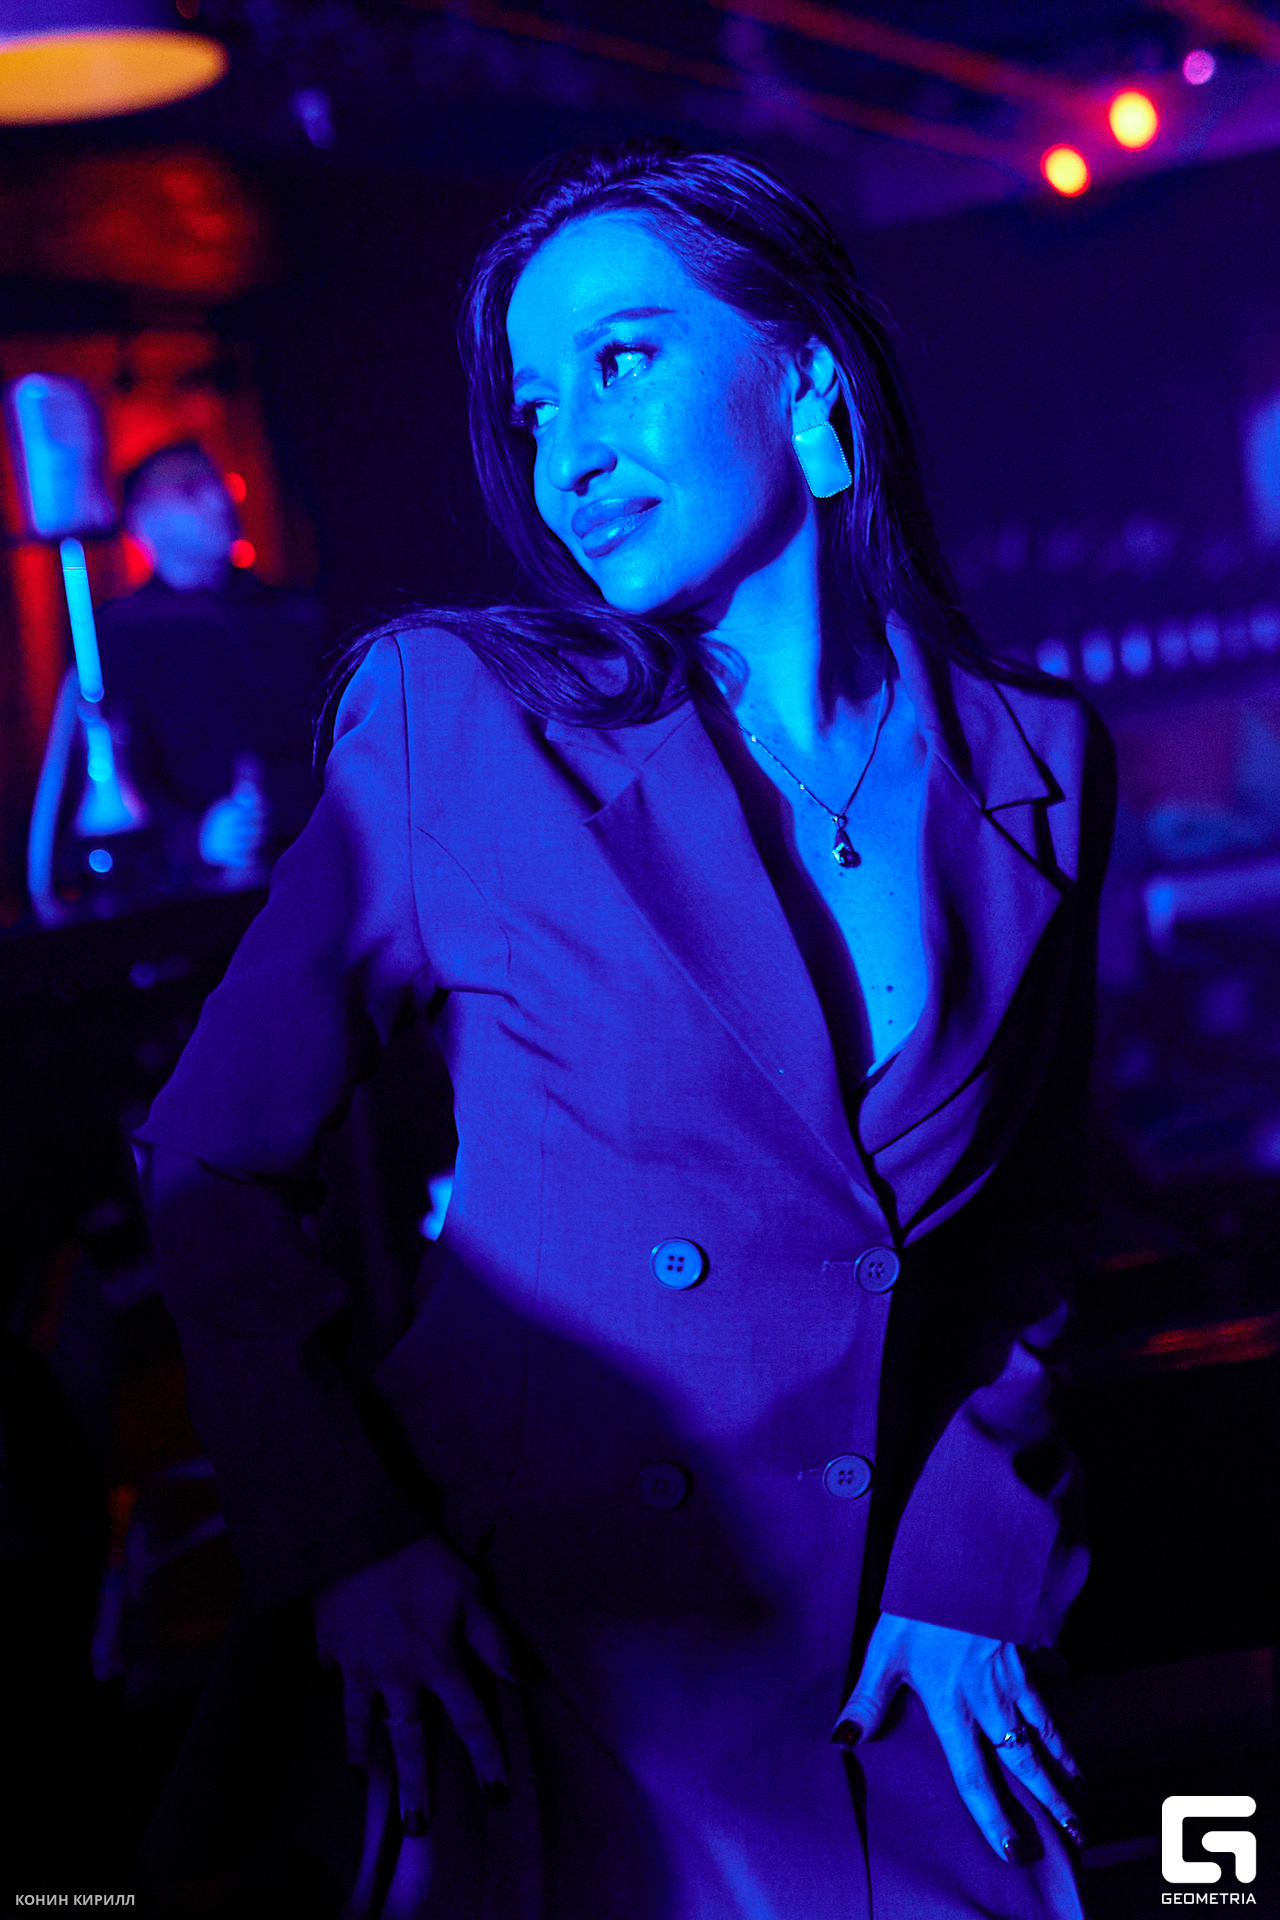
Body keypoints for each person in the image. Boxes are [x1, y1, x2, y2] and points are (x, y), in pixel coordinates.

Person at [138, 143, 1114, 1918]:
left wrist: (974, 1554)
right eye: (533, 407)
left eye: (624, 360)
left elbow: (1037, 1206)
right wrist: (350, 1545)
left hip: (895, 1653)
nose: (567, 451)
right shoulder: (462, 720)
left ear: (807, 380)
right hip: (547, 1655)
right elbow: (209, 1160)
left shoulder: (1038, 759)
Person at [92, 443, 324, 894]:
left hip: (320, 864)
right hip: (200, 894)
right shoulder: (122, 633)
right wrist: (193, 836)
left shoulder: (294, 614)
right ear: (144, 520)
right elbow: (118, 773)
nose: (219, 500)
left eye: (217, 484)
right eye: (189, 491)